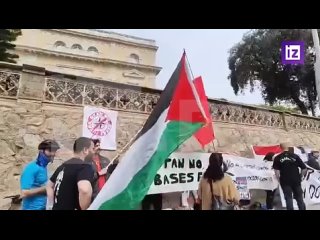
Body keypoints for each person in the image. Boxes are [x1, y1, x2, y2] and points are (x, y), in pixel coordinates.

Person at [46, 137, 95, 210]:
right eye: (92, 149)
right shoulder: (84, 167)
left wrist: (51, 205)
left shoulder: (62, 166)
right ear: (85, 150)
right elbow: (84, 190)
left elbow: (49, 186)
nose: (94, 152)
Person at [20, 140, 60, 210]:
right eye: (50, 150)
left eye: (54, 151)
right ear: (41, 151)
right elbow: (24, 193)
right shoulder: (31, 168)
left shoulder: (43, 167)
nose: (52, 154)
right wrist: (46, 188)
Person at [273, 142, 307, 210]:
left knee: (288, 198)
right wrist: (300, 176)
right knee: (299, 198)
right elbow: (304, 168)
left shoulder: (277, 157)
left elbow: (276, 171)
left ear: (280, 148)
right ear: (288, 147)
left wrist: (278, 179)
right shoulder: (295, 156)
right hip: (296, 180)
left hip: (285, 180)